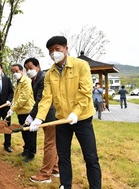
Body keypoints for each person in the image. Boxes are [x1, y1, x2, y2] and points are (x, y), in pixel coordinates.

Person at [29, 36, 102, 189]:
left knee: (90, 157)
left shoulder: (81, 66)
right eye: (51, 51)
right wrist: (38, 118)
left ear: (66, 49)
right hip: (61, 120)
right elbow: (46, 98)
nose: (54, 53)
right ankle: (65, 185)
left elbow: (85, 92)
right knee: (63, 157)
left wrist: (76, 112)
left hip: (81, 118)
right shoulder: (49, 74)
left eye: (57, 49)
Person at [24, 58, 58, 183]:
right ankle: (55, 168)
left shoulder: (43, 78)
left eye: (31, 68)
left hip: (50, 114)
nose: (28, 71)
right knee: (52, 143)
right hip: (44, 114)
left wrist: (32, 115)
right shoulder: (34, 79)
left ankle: (45, 175)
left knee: (49, 144)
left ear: (38, 66)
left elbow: (41, 99)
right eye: (26, 69)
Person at [7, 64, 35, 162]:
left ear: (21, 71)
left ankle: (31, 153)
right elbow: (16, 98)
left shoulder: (26, 81)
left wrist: (13, 108)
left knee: (30, 133)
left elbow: (23, 98)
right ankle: (26, 150)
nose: (15, 73)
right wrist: (12, 106)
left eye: (16, 71)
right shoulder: (16, 84)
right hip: (21, 112)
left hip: (28, 111)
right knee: (24, 132)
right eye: (13, 72)